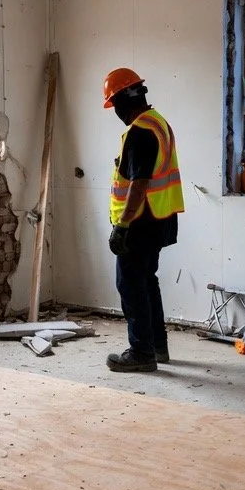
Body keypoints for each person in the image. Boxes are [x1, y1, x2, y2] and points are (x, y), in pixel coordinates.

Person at [103, 67, 184, 373]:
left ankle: (141, 352)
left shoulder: (140, 131)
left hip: (139, 223)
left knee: (130, 284)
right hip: (159, 219)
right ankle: (157, 346)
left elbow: (139, 184)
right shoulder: (159, 122)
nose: (116, 112)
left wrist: (122, 226)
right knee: (147, 282)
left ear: (123, 102)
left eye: (115, 105)